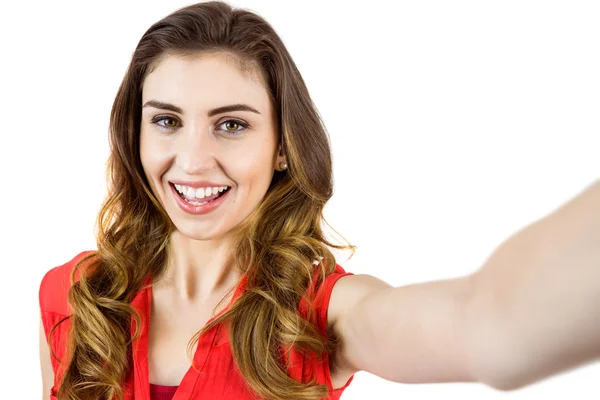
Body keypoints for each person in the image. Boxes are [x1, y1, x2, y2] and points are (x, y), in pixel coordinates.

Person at [38, 1, 600, 399]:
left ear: (282, 147)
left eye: (231, 125)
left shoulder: (321, 316)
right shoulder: (73, 296)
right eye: (166, 120)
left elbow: (489, 329)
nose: (192, 160)